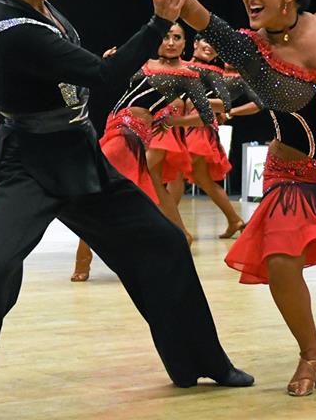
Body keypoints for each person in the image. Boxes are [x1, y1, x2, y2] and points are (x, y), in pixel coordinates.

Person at [0, 0, 251, 419]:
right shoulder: (14, 26)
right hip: (30, 164)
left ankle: (200, 362)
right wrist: (159, 19)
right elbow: (103, 72)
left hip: (80, 156)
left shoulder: (25, 5)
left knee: (162, 244)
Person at [135, 0, 316, 396]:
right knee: (280, 262)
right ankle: (311, 353)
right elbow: (201, 17)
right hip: (294, 172)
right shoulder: (246, 46)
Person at [71, 22, 219, 281]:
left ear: (185, 43)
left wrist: (172, 121)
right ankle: (168, 243)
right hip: (113, 126)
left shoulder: (188, 75)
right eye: (166, 36)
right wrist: (108, 62)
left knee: (97, 191)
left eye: (177, 37)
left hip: (129, 137)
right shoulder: (142, 62)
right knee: (124, 195)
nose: (171, 42)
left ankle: (85, 260)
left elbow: (207, 116)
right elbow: (109, 79)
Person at [181, 34, 247, 239]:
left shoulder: (215, 74)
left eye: (215, 45)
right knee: (202, 179)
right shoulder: (181, 64)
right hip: (180, 126)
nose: (211, 47)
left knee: (175, 174)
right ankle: (234, 219)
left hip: (199, 127)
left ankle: (174, 228)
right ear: (195, 42)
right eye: (207, 42)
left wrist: (202, 103)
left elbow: (226, 104)